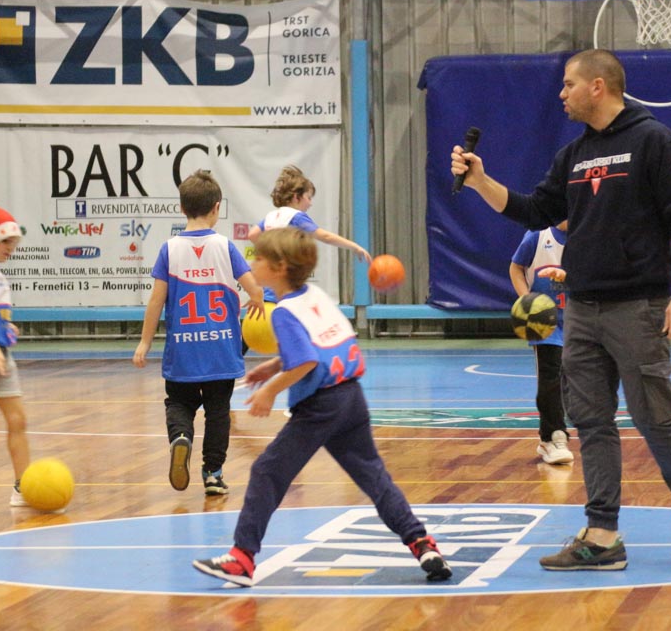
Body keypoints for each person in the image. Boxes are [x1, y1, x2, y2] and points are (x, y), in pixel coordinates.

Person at [450, 49, 671, 570]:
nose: (562, 93)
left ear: (598, 86)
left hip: (637, 306)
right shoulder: (573, 154)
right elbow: (534, 210)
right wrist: (481, 180)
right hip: (580, 309)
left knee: (654, 417)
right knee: (592, 421)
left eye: (569, 84)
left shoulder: (654, 140)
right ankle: (602, 536)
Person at [192, 227, 452, 587]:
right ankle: (422, 544)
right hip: (352, 398)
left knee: (267, 471)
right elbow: (321, 346)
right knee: (374, 477)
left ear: (280, 268)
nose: (253, 264)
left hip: (321, 405)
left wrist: (270, 391)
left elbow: (307, 361)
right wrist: (273, 366)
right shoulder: (315, 296)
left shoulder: (283, 312)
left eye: (260, 258)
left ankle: (242, 559)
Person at [134, 170, 264, 495]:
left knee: (179, 402)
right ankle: (213, 474)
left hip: (183, 349)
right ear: (217, 207)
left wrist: (144, 342)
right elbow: (255, 289)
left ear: (182, 208)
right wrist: (254, 301)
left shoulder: (169, 249)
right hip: (221, 348)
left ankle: (181, 437)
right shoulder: (225, 247)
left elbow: (156, 301)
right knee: (219, 413)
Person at [509, 220, 573, 465]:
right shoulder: (537, 236)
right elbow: (516, 267)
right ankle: (552, 437)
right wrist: (527, 301)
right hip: (546, 324)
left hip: (581, 320)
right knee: (550, 380)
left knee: (577, 381)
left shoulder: (589, 233)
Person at [247, 165, 371, 264]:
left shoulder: (272, 215)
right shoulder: (296, 217)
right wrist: (354, 246)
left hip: (270, 280)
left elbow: (252, 235)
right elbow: (326, 237)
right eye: (309, 197)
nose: (310, 203)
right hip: (287, 281)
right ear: (296, 197)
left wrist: (272, 253)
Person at [0, 207, 31, 508]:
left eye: (14, 243)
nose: (11, 248)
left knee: (18, 419)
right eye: (5, 241)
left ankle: (23, 487)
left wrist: (6, 329)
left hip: (2, 357)